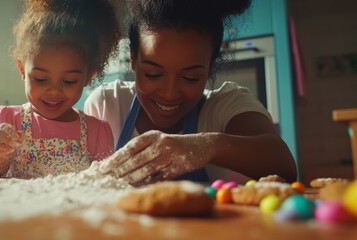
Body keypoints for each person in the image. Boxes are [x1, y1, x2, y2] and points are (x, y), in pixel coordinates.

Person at [84, 0, 298, 185]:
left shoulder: (226, 106)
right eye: (153, 74)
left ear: (210, 66)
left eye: (190, 78)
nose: (169, 93)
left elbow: (285, 167)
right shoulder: (107, 104)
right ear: (133, 58)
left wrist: (205, 146)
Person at [0, 0, 121, 179]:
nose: (54, 91)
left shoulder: (97, 132)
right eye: (41, 79)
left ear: (88, 76)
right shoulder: (7, 120)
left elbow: (104, 181)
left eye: (69, 81)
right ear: (23, 70)